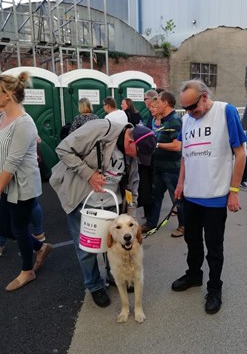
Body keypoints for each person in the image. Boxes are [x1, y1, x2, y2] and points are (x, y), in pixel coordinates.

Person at [50, 120, 156, 308]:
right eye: (138, 154)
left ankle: (114, 276)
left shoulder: (132, 157)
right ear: (131, 142)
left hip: (111, 205)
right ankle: (95, 285)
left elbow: (133, 185)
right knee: (86, 249)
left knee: (113, 244)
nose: (137, 159)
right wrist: (89, 174)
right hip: (83, 201)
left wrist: (131, 218)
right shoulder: (100, 129)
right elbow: (63, 149)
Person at [172, 79, 247, 314]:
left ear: (204, 97)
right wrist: (180, 183)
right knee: (192, 241)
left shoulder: (226, 111)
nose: (189, 113)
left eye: (192, 107)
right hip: (191, 195)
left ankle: (215, 288)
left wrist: (234, 191)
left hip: (215, 196)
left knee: (214, 247)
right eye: (184, 109)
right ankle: (194, 275)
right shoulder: (186, 120)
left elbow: (240, 152)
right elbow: (186, 155)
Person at [0, 72, 52, 291]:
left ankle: (27, 271)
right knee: (4, 225)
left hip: (23, 187)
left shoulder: (24, 123)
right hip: (7, 183)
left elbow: (12, 164)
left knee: (18, 228)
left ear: (8, 94)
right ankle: (40, 246)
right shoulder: (3, 117)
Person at [141, 91, 185, 237]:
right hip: (159, 166)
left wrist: (157, 144)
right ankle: (151, 223)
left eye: (158, 102)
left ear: (165, 103)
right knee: (156, 196)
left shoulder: (174, 121)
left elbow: (177, 146)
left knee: (177, 199)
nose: (155, 104)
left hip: (171, 169)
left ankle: (184, 226)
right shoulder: (165, 120)